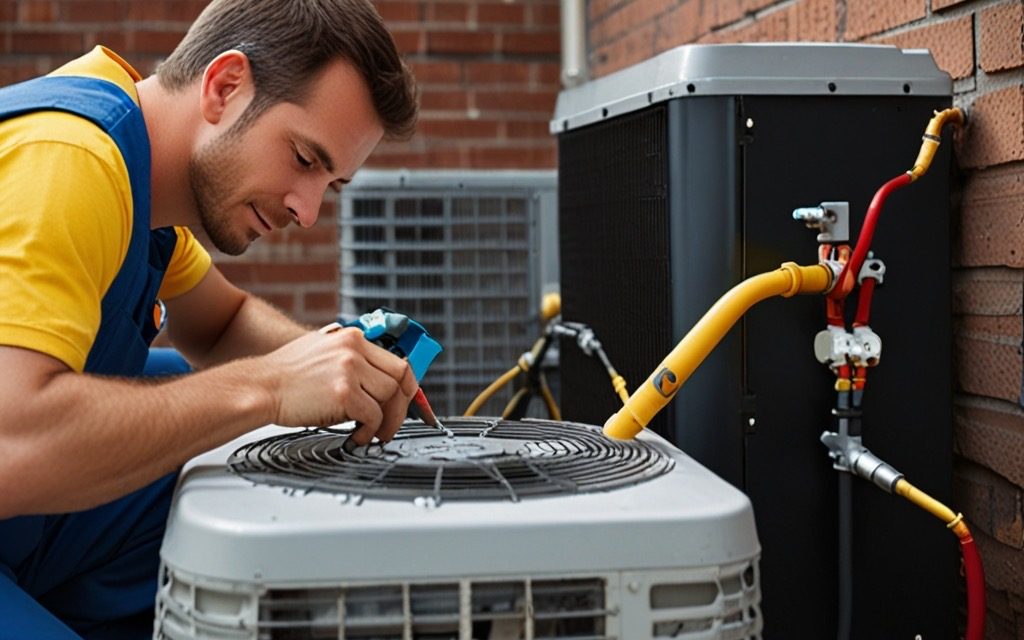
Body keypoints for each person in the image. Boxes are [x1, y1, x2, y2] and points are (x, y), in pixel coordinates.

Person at [0, 0, 419, 636]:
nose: (308, 211)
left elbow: (221, 326)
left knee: (173, 391)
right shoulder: (71, 160)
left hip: (29, 526)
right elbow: (11, 446)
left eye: (330, 184)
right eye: (305, 159)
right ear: (225, 86)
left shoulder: (142, 179)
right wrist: (270, 387)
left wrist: (342, 370)